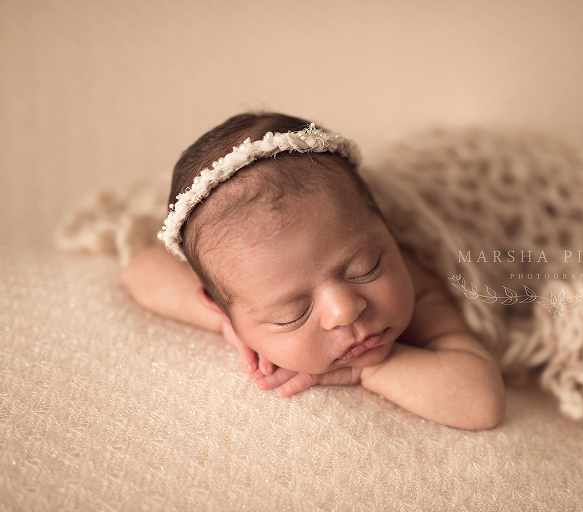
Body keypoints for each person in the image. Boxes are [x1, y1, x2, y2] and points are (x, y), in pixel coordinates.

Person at [121, 112, 505, 430]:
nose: (345, 310)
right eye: (292, 313)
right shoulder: (242, 289)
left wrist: (369, 371)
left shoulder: (412, 282)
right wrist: (226, 325)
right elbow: (140, 269)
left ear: (388, 233)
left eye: (364, 268)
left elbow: (481, 402)